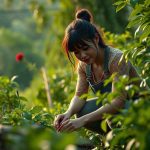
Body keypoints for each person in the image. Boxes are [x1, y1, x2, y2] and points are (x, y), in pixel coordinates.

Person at [53, 8, 141, 134]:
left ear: (95, 38)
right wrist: (67, 114)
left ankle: (130, 141)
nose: (82, 55)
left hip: (140, 107)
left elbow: (118, 101)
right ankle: (112, 139)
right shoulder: (84, 66)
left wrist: (82, 121)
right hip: (119, 110)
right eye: (76, 52)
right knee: (82, 110)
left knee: (112, 117)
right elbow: (79, 96)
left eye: (85, 48)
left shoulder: (116, 59)